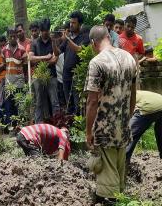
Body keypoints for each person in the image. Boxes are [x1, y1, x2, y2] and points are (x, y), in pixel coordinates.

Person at [85, 25, 137, 204]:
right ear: (109, 36)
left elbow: (92, 102)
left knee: (108, 182)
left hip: (104, 130)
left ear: (93, 42)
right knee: (118, 173)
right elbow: (133, 95)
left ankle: (110, 200)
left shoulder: (97, 63)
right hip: (123, 127)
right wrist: (127, 119)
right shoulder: (129, 58)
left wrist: (89, 132)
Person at [55, 11, 90, 115]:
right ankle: (70, 127)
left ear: (80, 24)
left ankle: (79, 127)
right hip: (66, 75)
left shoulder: (85, 36)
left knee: (78, 104)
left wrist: (68, 39)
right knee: (68, 103)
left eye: (74, 23)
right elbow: (57, 52)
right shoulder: (68, 37)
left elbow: (79, 50)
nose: (71, 25)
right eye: (70, 22)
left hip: (78, 76)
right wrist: (53, 41)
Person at [29, 18, 60, 123]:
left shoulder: (53, 41)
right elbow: (31, 58)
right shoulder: (35, 43)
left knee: (54, 101)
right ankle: (38, 124)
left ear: (49, 29)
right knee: (39, 102)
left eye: (46, 30)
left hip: (52, 75)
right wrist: (46, 57)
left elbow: (55, 58)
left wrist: (54, 44)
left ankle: (58, 123)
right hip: (38, 76)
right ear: (40, 30)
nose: (44, 33)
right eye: (42, 31)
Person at [126, 90, 162, 163]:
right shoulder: (139, 92)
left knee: (130, 135)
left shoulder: (125, 94)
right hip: (160, 102)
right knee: (160, 132)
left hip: (148, 106)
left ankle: (123, 162)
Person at [3, 28, 26, 126]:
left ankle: (21, 127)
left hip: (19, 82)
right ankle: (11, 127)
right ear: (8, 37)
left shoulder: (22, 49)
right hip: (8, 83)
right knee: (9, 106)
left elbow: (24, 65)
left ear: (16, 36)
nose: (12, 38)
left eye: (14, 36)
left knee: (20, 106)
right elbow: (5, 64)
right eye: (10, 36)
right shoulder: (4, 50)